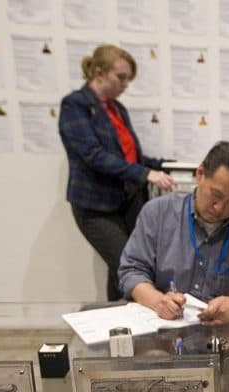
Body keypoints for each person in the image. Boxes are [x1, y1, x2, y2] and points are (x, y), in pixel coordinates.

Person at [118, 141, 229, 327]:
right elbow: (132, 271)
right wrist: (158, 301)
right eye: (216, 195)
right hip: (164, 334)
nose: (219, 208)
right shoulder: (157, 213)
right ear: (200, 174)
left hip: (226, 339)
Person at [59, 44, 176, 301]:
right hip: (96, 207)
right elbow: (93, 155)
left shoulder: (116, 108)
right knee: (126, 265)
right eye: (120, 77)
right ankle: (123, 323)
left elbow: (130, 156)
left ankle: (118, 324)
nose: (125, 85)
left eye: (128, 79)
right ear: (98, 72)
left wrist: (165, 165)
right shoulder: (76, 105)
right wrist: (145, 174)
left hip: (126, 202)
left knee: (125, 267)